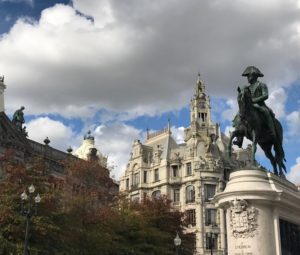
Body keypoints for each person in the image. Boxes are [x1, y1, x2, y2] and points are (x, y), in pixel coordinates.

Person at [233, 66, 276, 147]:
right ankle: (239, 139)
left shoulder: (261, 85)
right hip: (249, 106)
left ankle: (271, 131)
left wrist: (254, 100)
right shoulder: (247, 88)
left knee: (266, 112)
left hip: (260, 105)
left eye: (248, 76)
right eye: (247, 76)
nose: (248, 78)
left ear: (254, 76)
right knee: (238, 116)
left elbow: (265, 95)